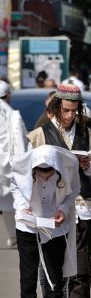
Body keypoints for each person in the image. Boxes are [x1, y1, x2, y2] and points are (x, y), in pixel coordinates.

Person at [27, 81, 91, 298]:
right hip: (51, 210)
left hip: (83, 208)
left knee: (81, 269)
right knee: (51, 270)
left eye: (75, 111)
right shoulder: (38, 135)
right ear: (57, 107)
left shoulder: (88, 134)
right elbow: (26, 173)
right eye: (66, 110)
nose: (70, 116)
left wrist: (88, 165)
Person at [11, 145, 80, 298]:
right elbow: (15, 186)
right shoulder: (22, 168)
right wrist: (23, 206)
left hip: (54, 228)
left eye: (49, 171)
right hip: (28, 228)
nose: (45, 175)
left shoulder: (68, 167)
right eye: (40, 172)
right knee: (28, 281)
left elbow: (74, 191)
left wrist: (63, 210)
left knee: (53, 282)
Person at [0, 81, 28, 248]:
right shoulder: (13, 115)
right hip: (8, 167)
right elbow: (20, 141)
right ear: (8, 96)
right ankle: (13, 237)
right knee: (11, 204)